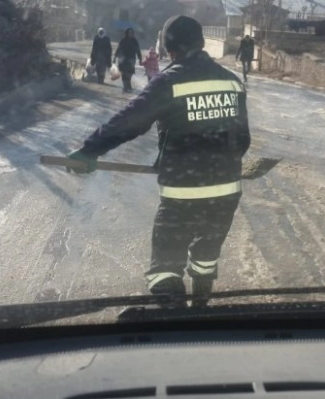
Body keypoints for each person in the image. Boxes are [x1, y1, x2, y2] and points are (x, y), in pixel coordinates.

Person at [67, 15, 250, 308]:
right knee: (206, 254)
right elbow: (243, 140)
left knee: (165, 266)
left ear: (169, 48)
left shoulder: (169, 81)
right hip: (226, 191)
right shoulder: (232, 82)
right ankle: (201, 309)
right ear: (202, 43)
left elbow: (129, 123)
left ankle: (176, 325)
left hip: (182, 191)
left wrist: (90, 150)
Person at [114, 27, 142, 93]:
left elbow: (138, 50)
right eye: (129, 33)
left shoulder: (135, 41)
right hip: (123, 59)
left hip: (131, 59)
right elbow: (118, 49)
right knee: (123, 73)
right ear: (126, 33)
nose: (130, 34)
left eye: (131, 33)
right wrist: (115, 57)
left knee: (130, 73)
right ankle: (125, 86)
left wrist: (140, 59)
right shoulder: (123, 40)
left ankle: (128, 85)